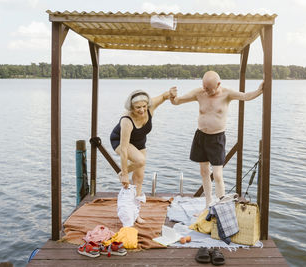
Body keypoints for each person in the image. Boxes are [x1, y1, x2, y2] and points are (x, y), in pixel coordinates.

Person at [169, 71, 264, 209]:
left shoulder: (227, 93)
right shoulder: (199, 92)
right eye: (204, 87)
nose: (205, 90)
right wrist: (172, 96)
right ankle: (208, 203)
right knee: (204, 172)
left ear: (218, 84)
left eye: (208, 88)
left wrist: (260, 90)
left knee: (218, 175)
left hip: (217, 138)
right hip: (201, 136)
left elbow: (246, 96)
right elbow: (177, 102)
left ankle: (221, 207)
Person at [110, 89, 172, 222]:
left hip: (140, 143)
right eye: (138, 107)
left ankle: (136, 213)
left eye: (144, 106)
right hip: (120, 142)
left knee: (139, 178)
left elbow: (162, 96)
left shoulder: (150, 107)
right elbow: (125, 149)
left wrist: (170, 93)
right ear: (131, 107)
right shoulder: (126, 120)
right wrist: (125, 173)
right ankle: (122, 174)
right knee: (140, 160)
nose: (142, 110)